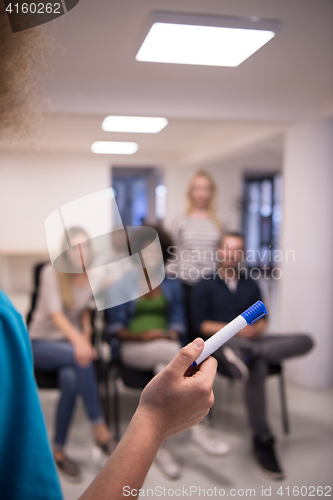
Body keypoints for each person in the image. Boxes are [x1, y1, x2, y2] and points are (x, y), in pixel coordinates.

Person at [106, 226, 229, 479]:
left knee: (165, 359)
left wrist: (171, 331)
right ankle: (197, 427)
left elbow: (178, 320)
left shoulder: (171, 283)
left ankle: (160, 445)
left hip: (165, 348)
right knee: (172, 355)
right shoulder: (120, 283)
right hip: (132, 347)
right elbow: (114, 328)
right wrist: (144, 336)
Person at [192, 232, 314, 480]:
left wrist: (256, 329)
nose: (232, 254)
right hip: (224, 341)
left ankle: (251, 354)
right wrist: (235, 328)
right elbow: (201, 325)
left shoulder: (251, 284)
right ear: (219, 251)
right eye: (228, 248)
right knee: (252, 360)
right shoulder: (204, 285)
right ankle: (263, 438)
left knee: (305, 340)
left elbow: (264, 321)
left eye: (238, 250)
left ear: (242, 255)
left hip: (255, 341)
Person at [29, 227, 117, 481]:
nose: (80, 252)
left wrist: (85, 338)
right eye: (74, 247)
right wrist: (80, 343)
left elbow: (83, 313)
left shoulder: (90, 275)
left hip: (69, 346)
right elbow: (57, 315)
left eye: (85, 246)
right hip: (40, 342)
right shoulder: (51, 271)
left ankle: (58, 450)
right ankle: (100, 429)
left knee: (70, 378)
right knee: (80, 357)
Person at [169, 170, 223, 339]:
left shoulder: (221, 221)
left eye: (205, 188)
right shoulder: (180, 220)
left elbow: (224, 253)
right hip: (185, 282)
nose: (201, 193)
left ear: (212, 192)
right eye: (197, 188)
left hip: (211, 283)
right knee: (188, 330)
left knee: (208, 331)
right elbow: (173, 253)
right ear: (191, 192)